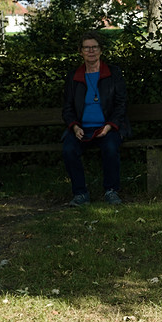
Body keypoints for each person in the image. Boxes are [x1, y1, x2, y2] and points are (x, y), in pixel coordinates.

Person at [61, 31, 130, 206]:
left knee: (110, 146)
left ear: (100, 50)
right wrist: (75, 127)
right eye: (86, 48)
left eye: (94, 47)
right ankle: (80, 194)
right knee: (68, 149)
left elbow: (121, 104)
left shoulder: (113, 73)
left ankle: (111, 191)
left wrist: (109, 126)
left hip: (108, 127)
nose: (91, 51)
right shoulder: (73, 76)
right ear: (81, 51)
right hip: (82, 129)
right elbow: (67, 107)